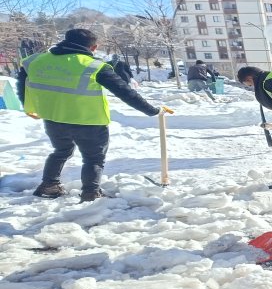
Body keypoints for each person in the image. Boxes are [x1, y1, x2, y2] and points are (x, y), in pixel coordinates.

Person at [17, 28, 167, 202]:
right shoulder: (94, 65)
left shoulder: (35, 61)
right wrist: (153, 110)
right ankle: (90, 192)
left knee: (60, 151)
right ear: (93, 47)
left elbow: (23, 85)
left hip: (53, 118)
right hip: (88, 121)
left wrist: (28, 107)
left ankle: (49, 185)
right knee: (93, 158)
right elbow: (126, 92)